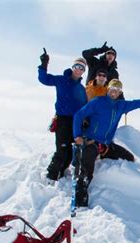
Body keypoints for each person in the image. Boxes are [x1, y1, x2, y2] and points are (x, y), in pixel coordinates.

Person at [72, 79, 140, 207]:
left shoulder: (121, 105)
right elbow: (78, 115)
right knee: (86, 171)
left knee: (129, 157)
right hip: (92, 141)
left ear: (120, 92)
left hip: (106, 144)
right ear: (108, 90)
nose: (114, 93)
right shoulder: (98, 102)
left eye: (118, 91)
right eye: (113, 89)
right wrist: (77, 136)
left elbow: (138, 103)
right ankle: (80, 202)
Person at [38, 50, 88, 183]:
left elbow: (85, 107)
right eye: (77, 66)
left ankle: (61, 172)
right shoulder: (61, 80)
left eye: (82, 68)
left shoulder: (82, 89)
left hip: (75, 122)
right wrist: (44, 64)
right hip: (62, 120)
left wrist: (85, 120)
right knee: (62, 149)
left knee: (71, 152)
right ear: (73, 67)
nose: (79, 70)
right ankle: (51, 176)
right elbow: (44, 79)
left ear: (83, 71)